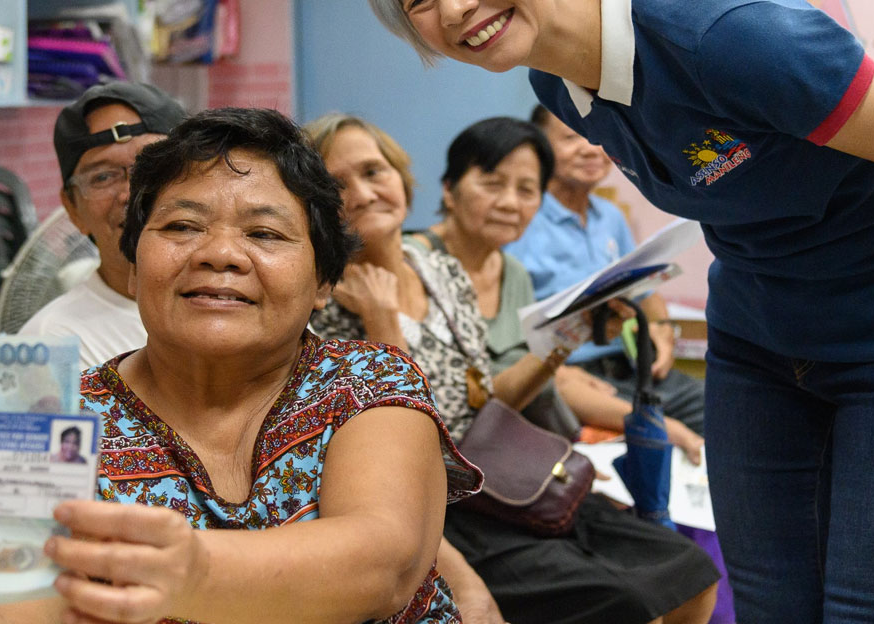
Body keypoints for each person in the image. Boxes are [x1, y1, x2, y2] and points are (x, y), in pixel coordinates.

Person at [358, 0, 874, 623]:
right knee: (771, 607)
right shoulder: (556, 83)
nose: (452, 7)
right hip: (761, 343)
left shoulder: (734, 36)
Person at [0, 107, 481, 623]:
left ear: (322, 284)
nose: (218, 253)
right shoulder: (47, 421)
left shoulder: (369, 380)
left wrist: (188, 571)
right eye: (181, 226)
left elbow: (381, 563)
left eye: (265, 233)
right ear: (135, 265)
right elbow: (25, 606)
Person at [305, 113, 719, 624]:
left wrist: (559, 344)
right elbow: (403, 441)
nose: (364, 193)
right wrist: (381, 318)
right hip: (443, 502)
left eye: (374, 171)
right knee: (628, 604)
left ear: (402, 178)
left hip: (500, 469)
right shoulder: (323, 301)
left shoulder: (438, 267)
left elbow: (486, 397)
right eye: (338, 183)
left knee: (693, 575)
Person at [409, 115, 703, 461]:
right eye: (492, 183)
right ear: (449, 188)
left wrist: (654, 327)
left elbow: (515, 382)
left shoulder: (512, 270)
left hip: (577, 385)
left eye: (526, 190)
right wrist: (562, 361)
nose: (509, 204)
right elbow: (466, 401)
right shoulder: (418, 266)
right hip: (468, 448)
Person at [507, 105, 705, 435]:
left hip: (632, 366)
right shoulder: (520, 219)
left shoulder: (610, 216)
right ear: (538, 146)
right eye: (571, 137)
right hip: (568, 374)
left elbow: (646, 287)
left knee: (722, 412)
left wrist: (660, 327)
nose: (590, 148)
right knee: (660, 435)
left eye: (596, 136)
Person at [19, 80, 187, 368]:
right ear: (73, 209)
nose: (129, 193)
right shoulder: (50, 347)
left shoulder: (237, 303)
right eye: (102, 177)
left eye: (148, 168)